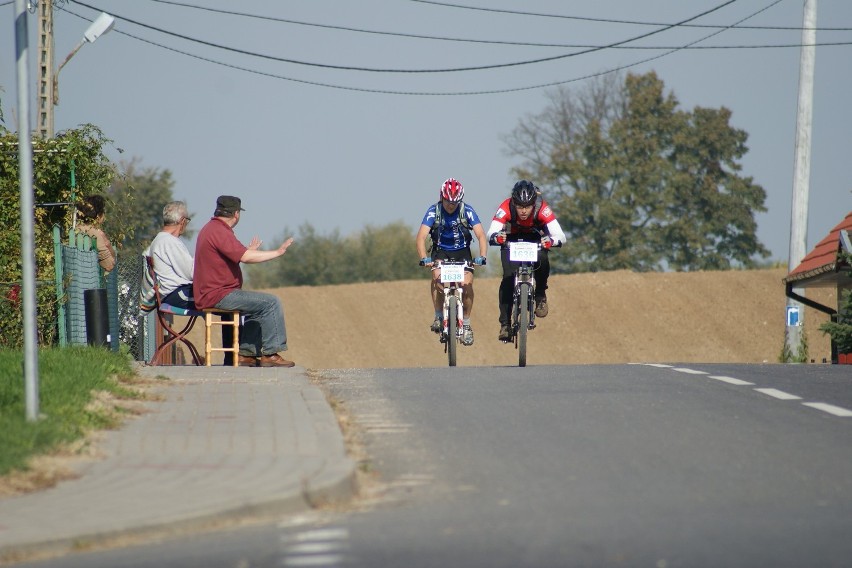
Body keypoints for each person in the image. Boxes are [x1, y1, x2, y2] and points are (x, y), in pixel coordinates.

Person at [194, 195, 296, 368]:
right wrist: (278, 252)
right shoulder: (219, 231)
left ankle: (245, 355)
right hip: (218, 294)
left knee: (257, 309)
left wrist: (247, 251)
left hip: (216, 292)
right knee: (271, 303)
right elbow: (246, 258)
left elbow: (238, 254)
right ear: (236, 214)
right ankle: (270, 354)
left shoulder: (212, 229)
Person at [486, 180, 567, 342]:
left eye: (527, 206)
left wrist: (551, 241)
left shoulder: (542, 208)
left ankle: (540, 295)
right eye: (520, 207)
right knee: (508, 278)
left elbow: (561, 236)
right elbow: (491, 233)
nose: (523, 211)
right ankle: (505, 324)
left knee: (543, 258)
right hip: (511, 239)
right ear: (514, 202)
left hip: (535, 238)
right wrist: (497, 237)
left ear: (533, 203)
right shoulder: (505, 207)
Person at [415, 178, 488, 346]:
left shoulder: (466, 210)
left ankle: (467, 325)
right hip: (441, 250)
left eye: (455, 202)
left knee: (467, 284)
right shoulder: (434, 211)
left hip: (462, 251)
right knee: (437, 278)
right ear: (442, 197)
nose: (451, 205)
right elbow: (421, 237)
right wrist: (424, 258)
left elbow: (481, 235)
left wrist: (482, 256)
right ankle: (439, 316)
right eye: (448, 201)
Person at [145, 201, 195, 309]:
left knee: (224, 301)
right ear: (182, 221)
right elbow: (191, 272)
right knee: (222, 300)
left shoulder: (159, 240)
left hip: (169, 295)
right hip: (178, 295)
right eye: (187, 221)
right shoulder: (170, 242)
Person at [76, 194, 117, 273]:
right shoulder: (94, 233)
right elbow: (110, 265)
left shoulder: (76, 228)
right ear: (98, 215)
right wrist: (107, 243)